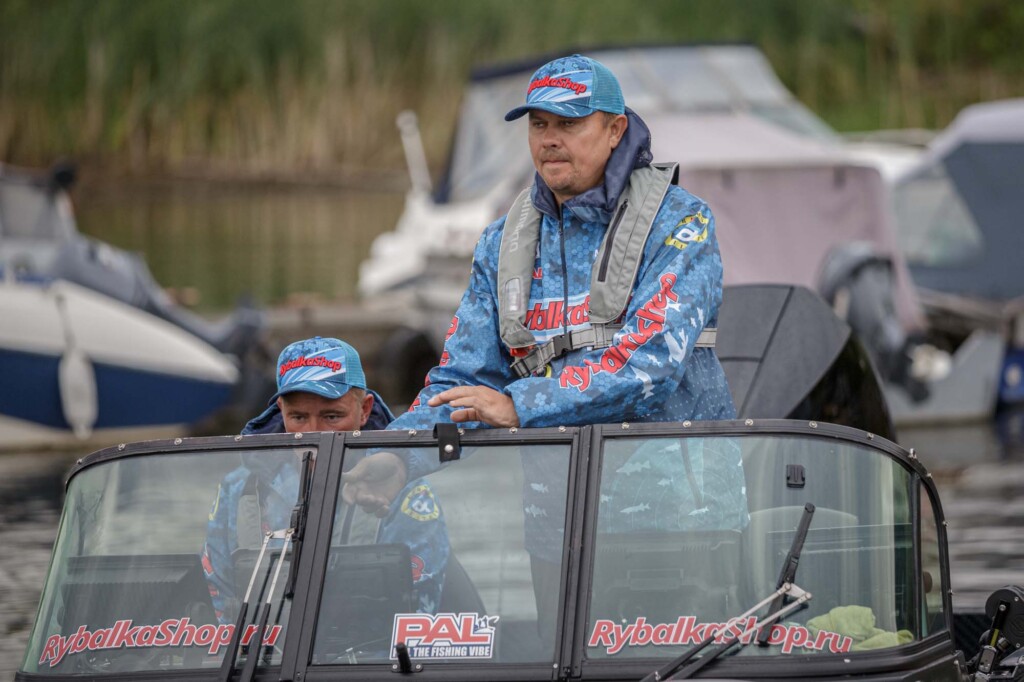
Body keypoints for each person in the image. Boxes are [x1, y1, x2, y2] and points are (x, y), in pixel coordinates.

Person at [342, 54, 747, 641]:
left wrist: (519, 405)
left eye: (569, 123)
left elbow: (649, 366)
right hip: (555, 530)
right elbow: (463, 379)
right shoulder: (501, 242)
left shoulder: (683, 224)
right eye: (539, 124)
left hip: (680, 523)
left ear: (615, 129)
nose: (550, 139)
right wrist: (399, 455)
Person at [202, 336, 449, 623]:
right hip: (258, 651)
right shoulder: (238, 490)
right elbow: (218, 603)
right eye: (298, 417)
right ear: (281, 410)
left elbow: (416, 619)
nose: (314, 433)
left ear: (364, 410)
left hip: (367, 651)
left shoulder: (406, 493)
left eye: (332, 416)